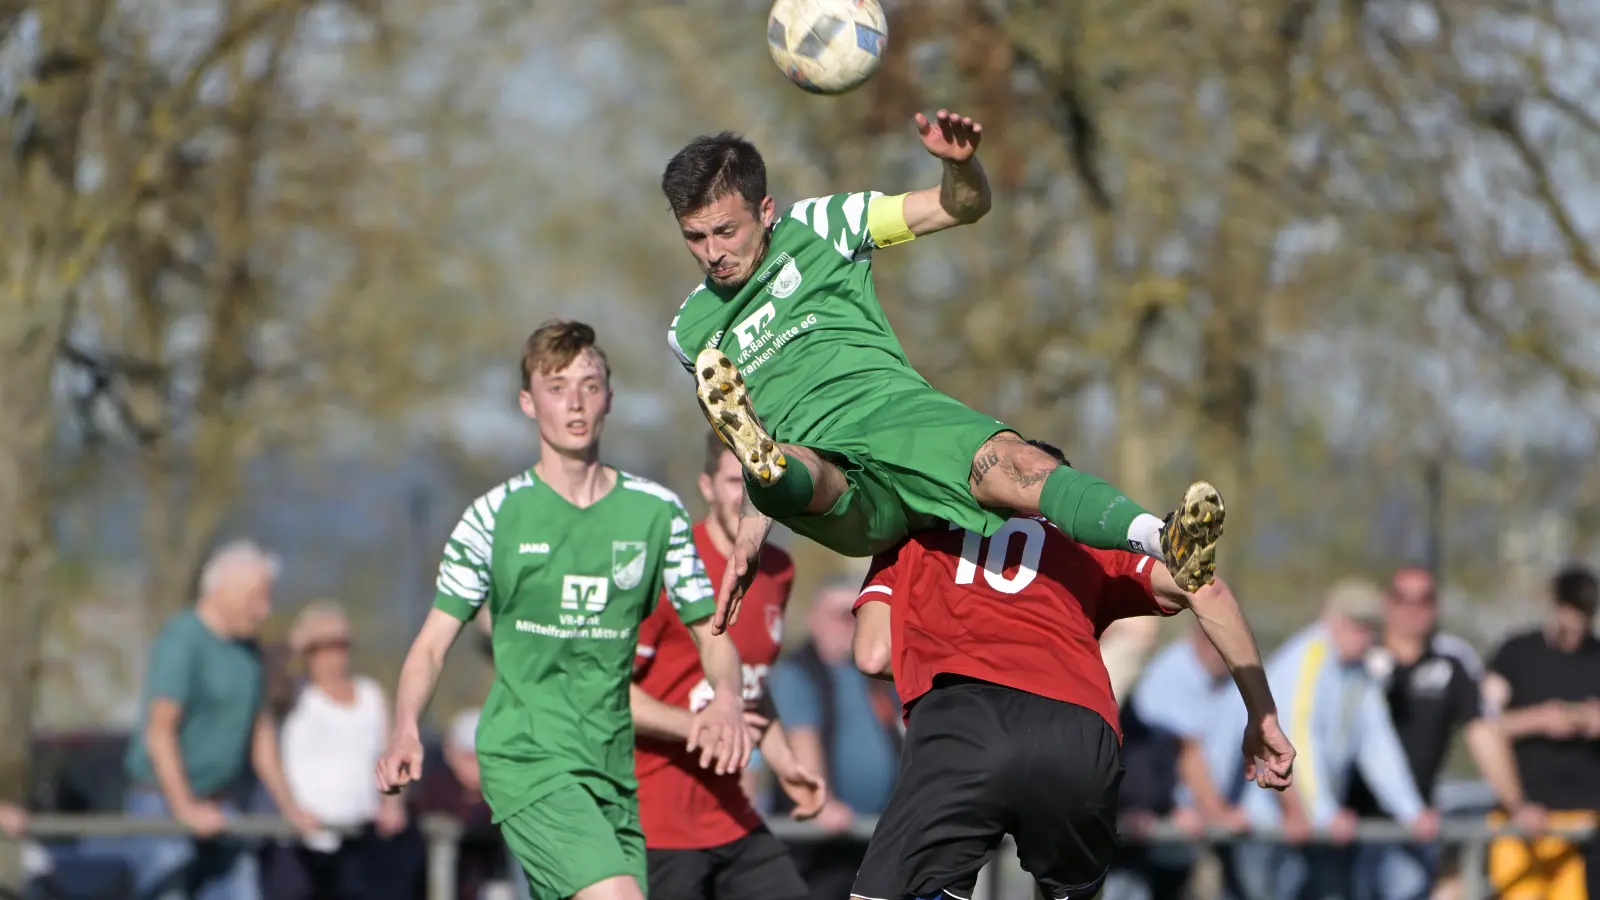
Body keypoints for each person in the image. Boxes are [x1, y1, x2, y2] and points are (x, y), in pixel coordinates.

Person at [659, 113, 1226, 632]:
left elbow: (960, 207)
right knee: (792, 461)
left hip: (898, 417)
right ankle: (776, 470)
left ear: (765, 209)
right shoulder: (690, 331)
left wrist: (960, 166)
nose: (712, 253)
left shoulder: (824, 224)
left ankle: (1164, 537)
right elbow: (746, 437)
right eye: (695, 237)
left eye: (725, 232)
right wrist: (748, 539)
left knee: (1017, 461)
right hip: (829, 476)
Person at [376, 320, 751, 900]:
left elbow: (712, 630)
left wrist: (727, 697)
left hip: (610, 767)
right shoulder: (492, 518)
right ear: (528, 402)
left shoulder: (656, 514)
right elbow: (430, 645)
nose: (574, 403)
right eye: (556, 387)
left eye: (589, 384)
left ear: (610, 397)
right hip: (526, 757)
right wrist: (404, 729)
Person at [847, 441, 1293, 900]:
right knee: (1073, 889)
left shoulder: (920, 528)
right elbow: (1207, 591)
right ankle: (1162, 533)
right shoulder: (1085, 537)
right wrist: (1262, 716)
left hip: (965, 718)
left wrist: (934, 659)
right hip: (1080, 729)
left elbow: (873, 655)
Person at [629, 433, 826, 900]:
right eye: (734, 480)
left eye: (757, 479)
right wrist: (698, 724)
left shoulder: (777, 569)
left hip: (731, 815)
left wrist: (784, 763)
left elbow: (754, 686)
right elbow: (608, 693)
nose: (746, 494)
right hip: (655, 824)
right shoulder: (669, 564)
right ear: (707, 486)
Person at [122, 540, 319, 900]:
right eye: (256, 597)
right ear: (221, 590)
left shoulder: (248, 653)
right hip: (162, 802)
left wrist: (290, 808)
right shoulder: (182, 640)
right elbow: (160, 731)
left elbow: (261, 737)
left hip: (220, 803)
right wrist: (184, 807)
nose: (265, 610)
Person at [1229, 578, 1440, 900]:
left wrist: (1412, 812)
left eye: (1370, 626)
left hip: (1315, 830)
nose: (1363, 635)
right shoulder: (1309, 657)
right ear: (1332, 619)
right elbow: (1296, 741)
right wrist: (1324, 813)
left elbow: (1379, 748)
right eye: (1355, 624)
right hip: (1273, 830)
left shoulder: (1360, 672)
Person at [1346, 567, 1538, 900]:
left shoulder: (1451, 659)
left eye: (1425, 599)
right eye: (1402, 598)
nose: (1413, 608)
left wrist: (1517, 804)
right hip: (1343, 824)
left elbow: (1483, 733)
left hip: (1412, 824)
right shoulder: (1359, 655)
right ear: (1386, 604)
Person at [270, 600, 417, 900]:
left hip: (358, 840)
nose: (333, 654)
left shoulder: (372, 695)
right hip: (299, 842)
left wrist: (392, 803)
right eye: (322, 645)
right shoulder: (292, 693)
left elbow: (392, 758)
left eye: (341, 644)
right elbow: (262, 675)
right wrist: (295, 641)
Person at [769, 578, 904, 900]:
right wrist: (822, 801)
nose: (851, 624)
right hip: (818, 845)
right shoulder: (798, 673)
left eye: (858, 614)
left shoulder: (877, 676)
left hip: (873, 841)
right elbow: (802, 739)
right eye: (841, 615)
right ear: (816, 618)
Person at [1483, 564, 1600, 900]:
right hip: (1522, 820)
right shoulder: (1516, 654)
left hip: (1584, 822)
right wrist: (1537, 719)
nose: (1575, 633)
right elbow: (1485, 724)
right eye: (1569, 619)